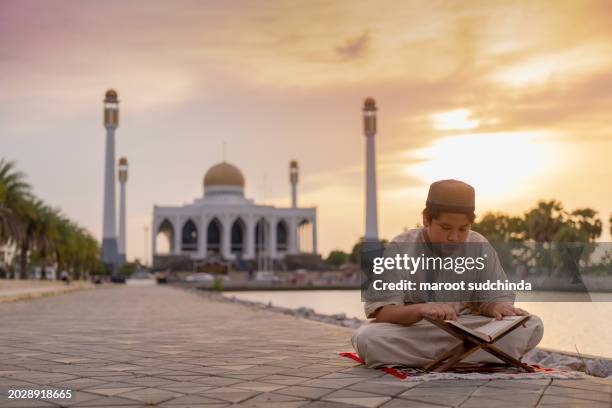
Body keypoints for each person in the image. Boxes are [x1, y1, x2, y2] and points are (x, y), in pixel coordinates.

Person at [352, 179, 544, 368]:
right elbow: (383, 311)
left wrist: (498, 307)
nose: (454, 237)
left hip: (468, 328)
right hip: (416, 330)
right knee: (368, 339)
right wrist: (421, 310)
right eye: (445, 228)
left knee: (532, 325)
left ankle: (444, 356)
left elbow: (493, 300)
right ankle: (475, 355)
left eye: (463, 229)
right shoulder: (401, 247)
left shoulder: (479, 246)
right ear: (426, 219)